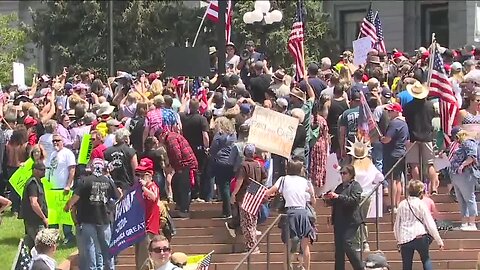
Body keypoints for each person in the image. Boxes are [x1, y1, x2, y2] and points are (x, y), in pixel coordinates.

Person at [64, 159, 120, 270]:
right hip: (104, 219)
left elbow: (75, 198)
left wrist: (67, 206)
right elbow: (118, 196)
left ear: (92, 168)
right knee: (107, 247)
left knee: (89, 247)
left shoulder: (85, 181)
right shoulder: (108, 181)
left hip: (87, 220)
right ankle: (110, 268)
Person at [266, 159, 316, 270]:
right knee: (305, 245)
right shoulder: (305, 181)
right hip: (303, 213)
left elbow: (270, 191)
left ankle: (287, 268)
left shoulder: (283, 179)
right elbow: (313, 201)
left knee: (287, 245)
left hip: (290, 213)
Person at [394, 180, 444, 270]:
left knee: (406, 264)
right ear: (421, 192)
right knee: (426, 259)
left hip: (405, 237)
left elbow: (397, 224)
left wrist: (398, 240)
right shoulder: (421, 204)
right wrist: (439, 240)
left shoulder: (402, 204)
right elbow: (430, 223)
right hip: (419, 235)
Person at [324, 164, 364, 270]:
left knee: (347, 243)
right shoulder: (339, 187)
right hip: (339, 220)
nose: (342, 175)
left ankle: (359, 267)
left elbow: (353, 200)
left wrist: (338, 196)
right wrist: (329, 198)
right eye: (341, 173)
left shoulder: (355, 185)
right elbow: (336, 201)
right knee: (339, 249)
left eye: (344, 173)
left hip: (351, 220)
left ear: (351, 174)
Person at [347, 138, 384, 253]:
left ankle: (361, 242)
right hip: (368, 195)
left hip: (355, 196)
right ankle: (363, 242)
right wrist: (372, 183)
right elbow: (381, 178)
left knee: (356, 220)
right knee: (361, 219)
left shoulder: (352, 167)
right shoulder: (370, 166)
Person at [403, 81, 439, 194]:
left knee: (414, 165)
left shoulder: (408, 106)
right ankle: (433, 188)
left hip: (413, 137)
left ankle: (418, 188)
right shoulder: (430, 106)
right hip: (427, 137)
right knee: (430, 164)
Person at [230, 144, 267, 253]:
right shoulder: (259, 165)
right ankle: (252, 244)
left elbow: (240, 181)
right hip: (255, 194)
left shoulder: (244, 166)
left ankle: (252, 246)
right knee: (253, 221)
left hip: (244, 195)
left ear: (244, 153)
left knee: (246, 222)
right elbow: (264, 179)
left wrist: (233, 194)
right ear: (254, 153)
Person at [158, 130, 198, 218]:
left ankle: (184, 210)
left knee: (184, 187)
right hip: (184, 164)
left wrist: (179, 167)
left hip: (185, 165)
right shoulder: (173, 137)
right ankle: (180, 205)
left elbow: (177, 153)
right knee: (176, 183)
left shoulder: (171, 139)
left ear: (162, 134)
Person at [45, 134, 76, 245]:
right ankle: (55, 236)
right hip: (52, 189)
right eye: (53, 141)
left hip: (64, 189)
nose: (55, 143)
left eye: (57, 140)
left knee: (65, 214)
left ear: (62, 141)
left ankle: (69, 236)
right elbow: (48, 169)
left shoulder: (68, 153)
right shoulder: (52, 154)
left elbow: (72, 170)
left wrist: (68, 185)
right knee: (54, 214)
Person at [448, 130, 479, 230]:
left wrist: (462, 165)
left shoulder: (469, 142)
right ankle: (464, 223)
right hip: (457, 175)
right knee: (461, 200)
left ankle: (472, 223)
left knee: (469, 198)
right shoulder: (460, 145)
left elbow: (472, 156)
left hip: (466, 174)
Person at [381, 103, 409, 212]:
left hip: (392, 154)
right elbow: (408, 141)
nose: (388, 113)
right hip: (401, 153)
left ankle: (393, 205)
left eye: (390, 111)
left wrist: (381, 139)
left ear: (397, 111)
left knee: (392, 180)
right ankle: (396, 204)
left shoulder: (394, 123)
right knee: (397, 180)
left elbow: (387, 139)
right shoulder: (404, 124)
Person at [135, 157, 161, 269]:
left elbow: (154, 197)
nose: (140, 178)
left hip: (149, 227)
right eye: (138, 174)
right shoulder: (138, 188)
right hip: (139, 228)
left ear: (150, 174)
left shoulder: (152, 186)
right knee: (139, 258)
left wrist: (144, 187)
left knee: (145, 260)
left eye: (143, 174)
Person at [20, 162, 48, 249]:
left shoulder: (37, 182)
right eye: (41, 170)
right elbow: (34, 203)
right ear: (34, 170)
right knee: (41, 248)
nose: (44, 172)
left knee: (33, 248)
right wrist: (44, 218)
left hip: (34, 221)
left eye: (45, 170)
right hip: (34, 221)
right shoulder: (33, 183)